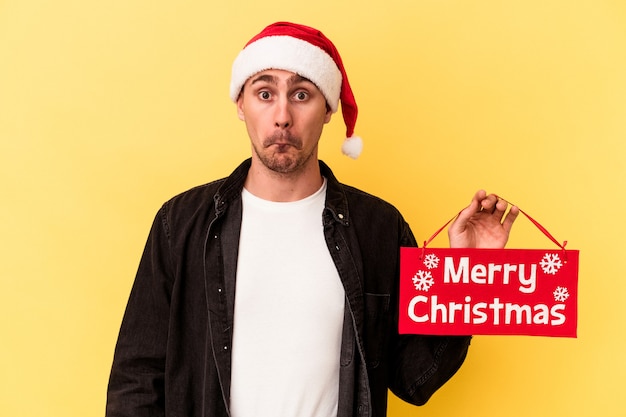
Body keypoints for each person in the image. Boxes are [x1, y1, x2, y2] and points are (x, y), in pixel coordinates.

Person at [106, 21, 519, 417]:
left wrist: (471, 275)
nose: (282, 116)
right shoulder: (180, 224)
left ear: (327, 110)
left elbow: (414, 380)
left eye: (301, 95)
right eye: (264, 94)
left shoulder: (379, 229)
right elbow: (136, 379)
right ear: (240, 104)